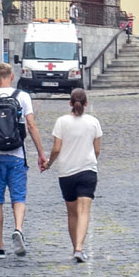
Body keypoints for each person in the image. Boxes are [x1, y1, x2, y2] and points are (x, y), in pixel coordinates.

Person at [0, 64, 48, 257]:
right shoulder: (22, 97)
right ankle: (18, 229)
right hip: (17, 155)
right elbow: (31, 125)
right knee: (18, 196)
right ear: (12, 77)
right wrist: (41, 154)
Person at [41, 88, 104, 262]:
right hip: (87, 171)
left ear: (70, 103)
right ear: (86, 103)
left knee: (72, 213)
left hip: (66, 173)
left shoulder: (61, 122)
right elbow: (97, 149)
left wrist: (48, 163)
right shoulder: (93, 122)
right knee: (84, 212)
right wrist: (90, 159)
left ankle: (74, 247)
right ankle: (79, 248)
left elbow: (56, 149)